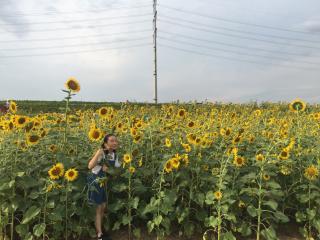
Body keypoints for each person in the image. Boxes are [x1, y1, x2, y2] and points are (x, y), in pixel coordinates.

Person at [87, 133, 121, 240]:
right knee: (99, 208)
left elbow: (117, 167)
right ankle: (99, 234)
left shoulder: (114, 154)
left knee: (103, 207)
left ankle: (99, 228)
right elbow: (90, 166)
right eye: (111, 141)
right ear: (105, 143)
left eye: (116, 141)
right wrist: (99, 156)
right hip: (96, 181)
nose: (115, 143)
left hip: (104, 182)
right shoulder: (101, 152)